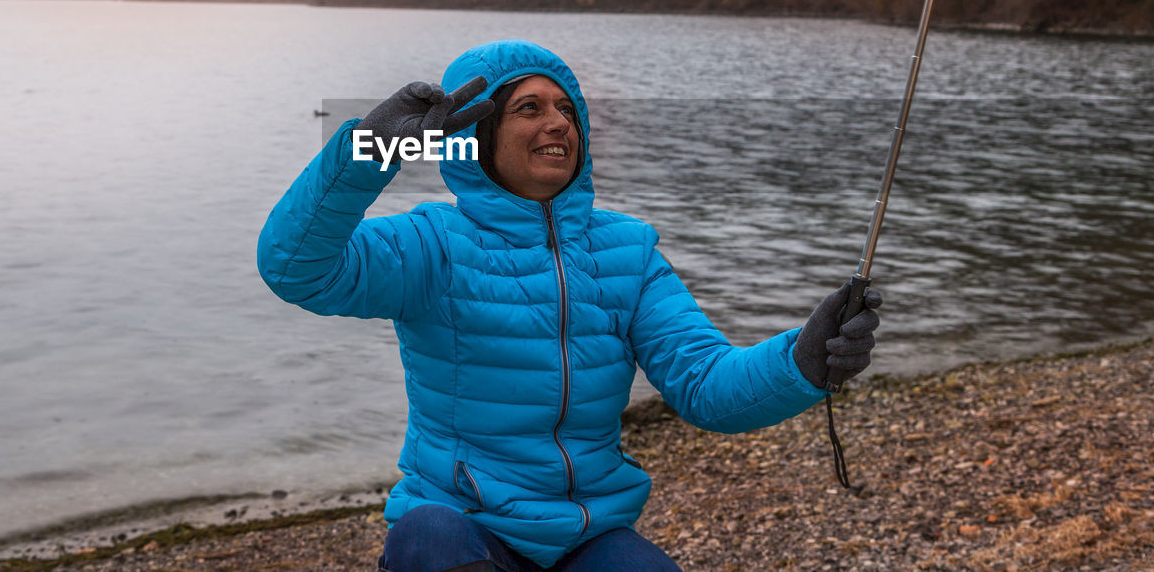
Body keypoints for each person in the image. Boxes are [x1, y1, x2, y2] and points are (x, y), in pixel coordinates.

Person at [257, 40, 881, 572]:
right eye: (529, 109)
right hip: (463, 520)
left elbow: (705, 384)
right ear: (475, 135)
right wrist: (368, 151)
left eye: (566, 109)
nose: (558, 123)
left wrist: (803, 361)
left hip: (585, 533)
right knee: (428, 543)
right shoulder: (429, 245)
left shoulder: (627, 251)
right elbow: (295, 268)